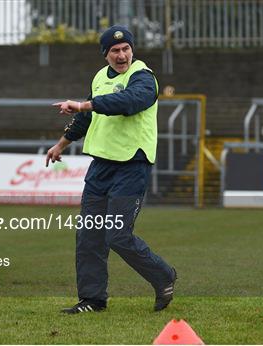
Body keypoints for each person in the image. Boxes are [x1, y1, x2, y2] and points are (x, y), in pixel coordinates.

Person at [46, 25, 176, 313]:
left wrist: (83, 104)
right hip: (101, 166)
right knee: (89, 234)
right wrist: (61, 144)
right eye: (115, 50)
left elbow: (129, 102)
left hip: (133, 164)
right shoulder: (98, 79)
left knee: (117, 235)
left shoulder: (143, 76)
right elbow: (86, 118)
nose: (122, 54)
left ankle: (164, 276)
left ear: (132, 50)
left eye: (126, 48)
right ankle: (92, 300)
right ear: (106, 55)